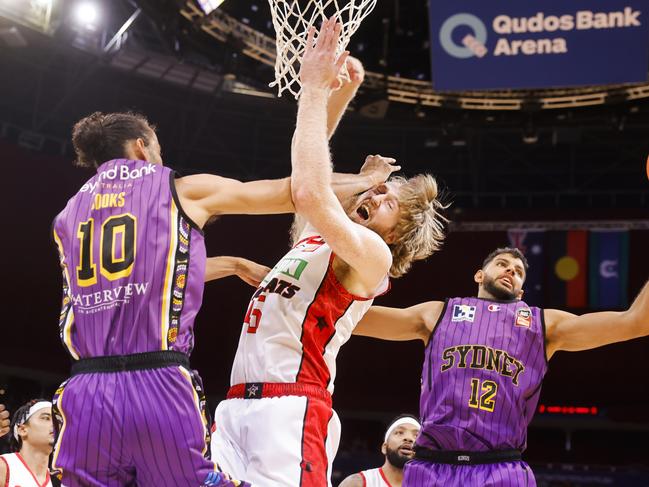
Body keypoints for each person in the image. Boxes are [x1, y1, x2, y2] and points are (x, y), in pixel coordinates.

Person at [50, 97, 390, 486]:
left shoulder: (69, 215)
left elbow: (145, 279)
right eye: (157, 149)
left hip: (87, 389)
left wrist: (232, 264)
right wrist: (366, 182)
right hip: (156, 379)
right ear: (142, 147)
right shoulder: (179, 189)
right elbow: (297, 191)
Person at [210, 18, 447, 487]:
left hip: (292, 408)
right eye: (379, 192)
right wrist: (340, 93)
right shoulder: (314, 242)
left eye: (389, 203)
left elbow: (314, 194)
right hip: (236, 403)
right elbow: (306, 181)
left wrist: (315, 89)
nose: (375, 197)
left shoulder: (373, 258)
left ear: (397, 234)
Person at [354, 247, 649, 486]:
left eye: (519, 271)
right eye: (502, 264)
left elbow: (636, 322)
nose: (511, 270)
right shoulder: (440, 313)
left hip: (500, 469)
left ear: (521, 291)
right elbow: (354, 320)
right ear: (479, 275)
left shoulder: (543, 325)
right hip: (432, 466)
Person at [339, 415, 420, 487]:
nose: (409, 438)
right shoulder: (357, 483)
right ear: (384, 447)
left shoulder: (430, 483)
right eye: (400, 432)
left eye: (416, 435)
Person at [0, 399, 55, 487]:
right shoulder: (4, 466)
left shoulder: (60, 481)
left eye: (57, 420)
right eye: (46, 418)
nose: (55, 424)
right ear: (22, 430)